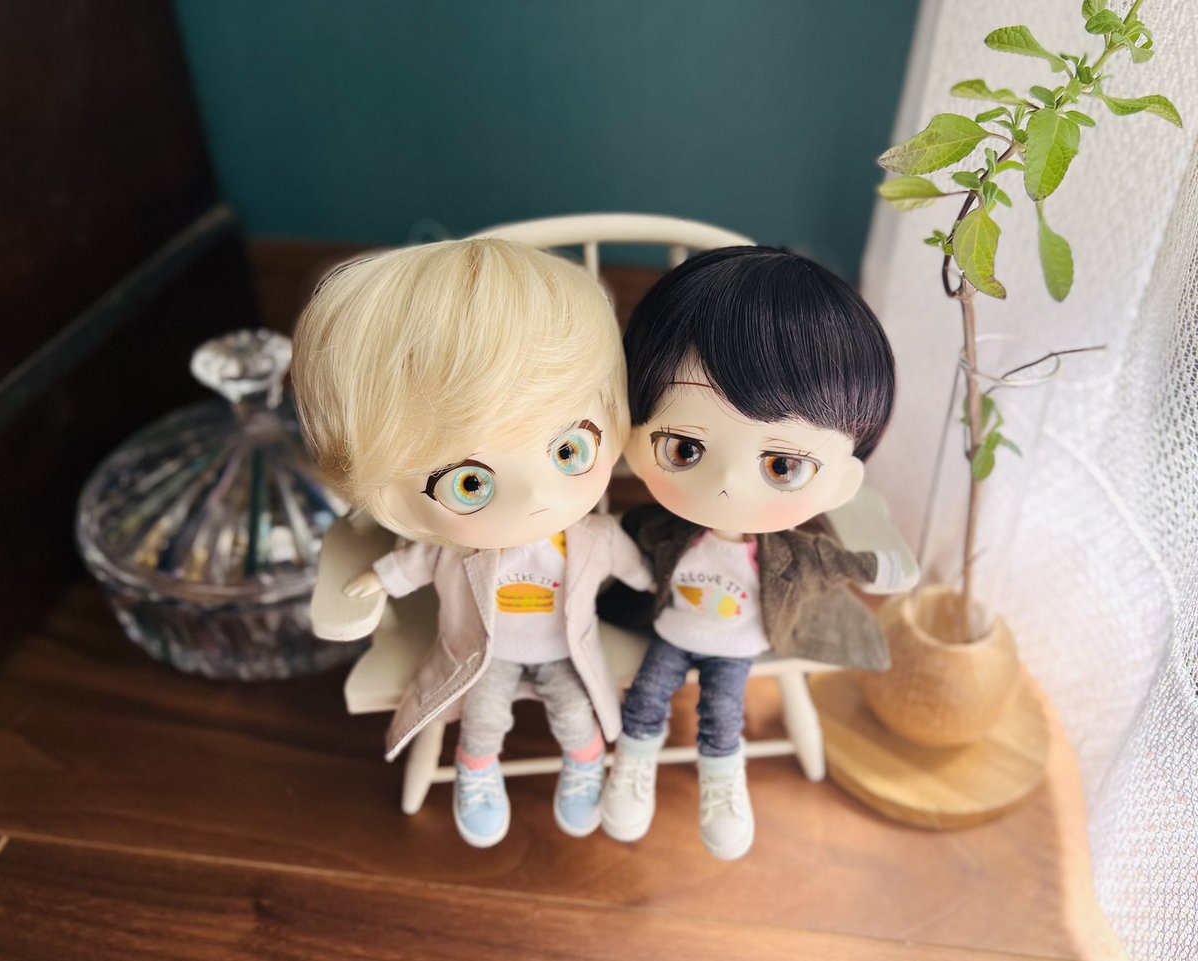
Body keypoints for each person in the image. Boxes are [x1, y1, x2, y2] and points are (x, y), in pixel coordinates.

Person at [292, 238, 652, 848]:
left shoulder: (592, 536)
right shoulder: (456, 551)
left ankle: (586, 761)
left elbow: (634, 566)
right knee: (482, 719)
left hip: (566, 647)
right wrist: (379, 577)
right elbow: (414, 562)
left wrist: (656, 585)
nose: (536, 497)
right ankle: (477, 770)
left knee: (575, 713)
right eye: (470, 483)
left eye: (570, 450)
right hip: (487, 651)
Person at [599, 246, 905, 860]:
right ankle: (633, 762)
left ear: (840, 483)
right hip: (672, 628)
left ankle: (722, 777)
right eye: (684, 448)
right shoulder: (658, 529)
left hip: (739, 640)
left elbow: (830, 563)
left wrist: (873, 566)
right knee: (648, 694)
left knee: (723, 711)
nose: (727, 486)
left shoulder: (787, 553)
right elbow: (617, 548)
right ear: (633, 441)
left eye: (782, 465)